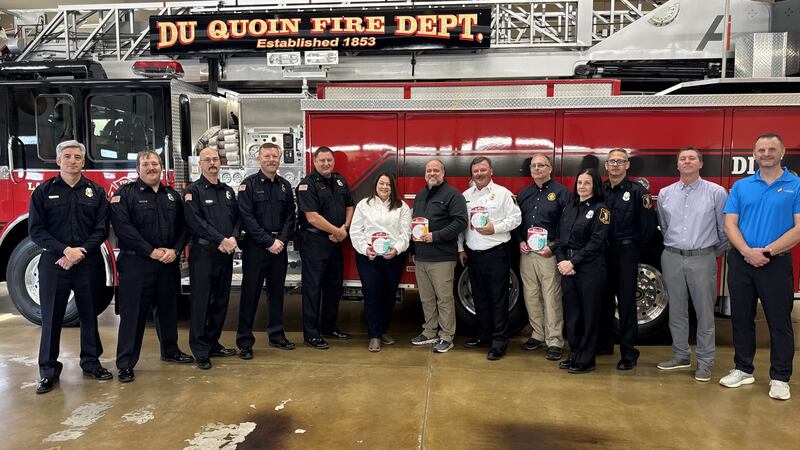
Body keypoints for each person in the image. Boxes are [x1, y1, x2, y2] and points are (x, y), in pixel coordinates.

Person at [720, 133, 800, 400]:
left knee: (779, 322)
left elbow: (799, 227)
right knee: (741, 318)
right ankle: (743, 369)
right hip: (742, 261)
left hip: (775, 263)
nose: (766, 153)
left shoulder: (796, 185)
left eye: (771, 149)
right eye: (761, 149)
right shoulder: (742, 186)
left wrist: (768, 251)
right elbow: (730, 223)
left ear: (782, 152)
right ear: (753, 154)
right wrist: (746, 251)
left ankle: (780, 377)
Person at [29, 140, 112, 394]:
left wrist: (80, 252)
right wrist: (65, 251)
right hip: (54, 263)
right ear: (58, 161)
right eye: (67, 156)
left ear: (83, 162)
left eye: (77, 157)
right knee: (52, 317)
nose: (73, 160)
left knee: (89, 314)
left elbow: (101, 229)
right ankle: (48, 371)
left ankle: (91, 362)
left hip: (88, 263)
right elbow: (36, 230)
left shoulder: (96, 192)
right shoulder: (43, 192)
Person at [111, 150, 192, 383]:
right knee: (133, 315)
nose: (151, 168)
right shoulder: (125, 194)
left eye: (155, 164)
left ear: (161, 167)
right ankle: (125, 363)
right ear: (137, 169)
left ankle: (170, 350)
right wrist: (151, 251)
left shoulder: (172, 196)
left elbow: (184, 228)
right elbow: (123, 228)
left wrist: (175, 250)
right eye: (145, 164)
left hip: (167, 262)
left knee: (168, 310)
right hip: (137, 263)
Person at [656, 147, 729, 382]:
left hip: (703, 258)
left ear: (700, 164)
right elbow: (664, 226)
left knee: (705, 313)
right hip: (672, 256)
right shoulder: (665, 194)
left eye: (692, 158)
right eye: (682, 159)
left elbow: (724, 230)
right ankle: (680, 356)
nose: (687, 162)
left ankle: (705, 362)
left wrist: (707, 254)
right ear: (677, 165)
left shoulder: (716, 193)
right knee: (676, 311)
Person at [237, 143, 297, 359]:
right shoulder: (248, 185)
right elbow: (247, 218)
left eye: (275, 156)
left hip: (278, 247)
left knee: (277, 293)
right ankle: (244, 341)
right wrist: (267, 242)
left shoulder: (285, 186)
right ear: (259, 159)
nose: (272, 159)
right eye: (267, 156)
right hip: (256, 248)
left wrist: (280, 239)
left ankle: (276, 335)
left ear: (279, 159)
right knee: (250, 294)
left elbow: (290, 215)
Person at [458, 157, 521, 360]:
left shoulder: (503, 194)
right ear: (472, 174)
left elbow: (516, 218)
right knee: (480, 299)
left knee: (498, 299)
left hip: (497, 253)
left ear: (491, 171)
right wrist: (460, 248)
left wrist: (495, 228)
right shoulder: (465, 196)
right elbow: (461, 225)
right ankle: (483, 336)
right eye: (475, 171)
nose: (479, 173)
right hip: (473, 256)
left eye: (483, 170)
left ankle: (499, 341)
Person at [600, 148, 657, 370]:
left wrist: (633, 250)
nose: (615, 165)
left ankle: (628, 353)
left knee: (625, 305)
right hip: (602, 253)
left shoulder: (637, 192)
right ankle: (603, 345)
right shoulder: (600, 189)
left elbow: (648, 228)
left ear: (627, 165)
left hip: (626, 253)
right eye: (611, 161)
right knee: (602, 301)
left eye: (620, 161)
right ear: (606, 165)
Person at [183, 148, 239, 370]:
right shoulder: (192, 191)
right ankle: (200, 350)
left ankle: (213, 343)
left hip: (225, 253)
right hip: (204, 254)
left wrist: (233, 237)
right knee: (201, 301)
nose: (212, 163)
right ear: (200, 164)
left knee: (221, 301)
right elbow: (195, 222)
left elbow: (237, 218)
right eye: (207, 160)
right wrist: (221, 240)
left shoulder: (227, 191)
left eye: (215, 159)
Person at [296, 146, 354, 349]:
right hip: (314, 243)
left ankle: (329, 327)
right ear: (315, 161)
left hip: (336, 242)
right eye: (322, 160)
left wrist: (344, 228)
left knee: (333, 287)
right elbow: (312, 217)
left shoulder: (340, 181)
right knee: (312, 289)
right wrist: (338, 232)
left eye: (329, 160)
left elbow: (350, 205)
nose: (326, 163)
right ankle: (311, 334)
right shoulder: (307, 185)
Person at [515, 154, 571, 361]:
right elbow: (517, 222)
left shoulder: (562, 193)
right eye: (534, 166)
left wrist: (554, 247)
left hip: (548, 252)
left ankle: (555, 340)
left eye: (541, 165)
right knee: (531, 295)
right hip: (527, 253)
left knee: (551, 296)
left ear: (550, 168)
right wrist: (520, 240)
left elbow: (567, 225)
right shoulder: (524, 194)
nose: (537, 169)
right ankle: (538, 334)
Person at [555, 168, 610, 374]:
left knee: (589, 315)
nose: (582, 187)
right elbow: (559, 239)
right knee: (573, 315)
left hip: (589, 268)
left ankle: (587, 359)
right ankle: (575, 354)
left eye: (587, 183)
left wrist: (573, 262)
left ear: (595, 186)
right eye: (579, 183)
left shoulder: (601, 210)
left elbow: (596, 242)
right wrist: (562, 261)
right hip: (567, 268)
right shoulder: (569, 208)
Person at [410, 159, 468, 353]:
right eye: (429, 170)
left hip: (442, 257)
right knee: (426, 298)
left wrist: (436, 236)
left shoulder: (453, 195)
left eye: (436, 170)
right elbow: (414, 224)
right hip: (422, 257)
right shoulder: (420, 195)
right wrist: (413, 251)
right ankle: (429, 331)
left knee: (444, 298)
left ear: (443, 173)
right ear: (424, 174)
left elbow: (460, 222)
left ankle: (446, 336)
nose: (432, 173)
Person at [350, 172, 412, 352]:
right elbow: (356, 231)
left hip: (392, 257)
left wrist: (397, 249)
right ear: (375, 186)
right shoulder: (364, 205)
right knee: (372, 295)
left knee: (389, 295)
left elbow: (405, 233)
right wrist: (365, 249)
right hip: (369, 257)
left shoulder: (402, 207)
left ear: (393, 188)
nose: (384, 187)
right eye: (381, 184)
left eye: (388, 185)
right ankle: (374, 336)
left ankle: (383, 329)